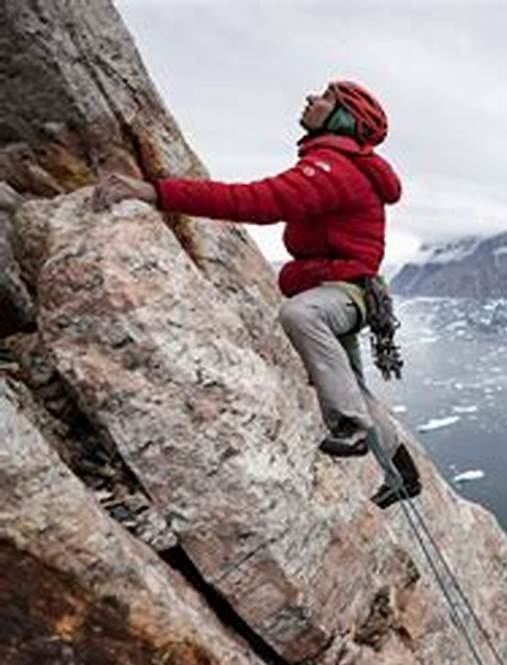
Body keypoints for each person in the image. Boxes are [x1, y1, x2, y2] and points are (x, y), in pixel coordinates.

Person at [94, 80, 420, 506]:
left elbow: (256, 201)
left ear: (343, 118)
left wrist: (156, 193)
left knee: (303, 316)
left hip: (342, 294)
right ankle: (402, 475)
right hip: (349, 292)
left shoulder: (333, 169)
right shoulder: (342, 166)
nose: (310, 99)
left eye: (325, 98)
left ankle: (351, 427)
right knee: (352, 386)